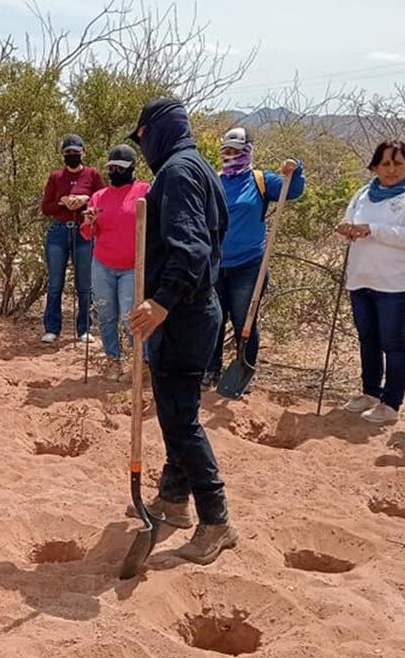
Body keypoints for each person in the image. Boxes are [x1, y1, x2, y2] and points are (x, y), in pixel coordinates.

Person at [125, 97, 237, 565]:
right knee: (176, 411)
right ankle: (173, 499)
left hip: (184, 315)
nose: (143, 145)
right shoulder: (196, 167)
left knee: (182, 420)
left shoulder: (178, 173)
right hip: (193, 311)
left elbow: (191, 248)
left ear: (158, 130)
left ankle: (217, 520)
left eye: (143, 136)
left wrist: (161, 301)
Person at [337, 140, 405, 425]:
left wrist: (373, 230)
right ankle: (370, 393)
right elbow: (348, 223)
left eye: (398, 163)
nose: (391, 170)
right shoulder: (364, 193)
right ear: (375, 166)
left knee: (392, 343)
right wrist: (345, 230)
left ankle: (391, 403)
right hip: (360, 278)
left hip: (395, 283)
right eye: (385, 164)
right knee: (367, 340)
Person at [204, 128, 305, 388]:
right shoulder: (216, 181)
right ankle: (211, 370)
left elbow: (292, 190)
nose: (231, 155)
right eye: (227, 151)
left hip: (248, 266)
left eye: (236, 151)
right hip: (216, 264)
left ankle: (243, 371)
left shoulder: (260, 180)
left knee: (244, 321)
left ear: (247, 152)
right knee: (214, 319)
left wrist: (295, 169)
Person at [80, 144, 151, 376]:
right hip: (103, 264)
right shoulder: (99, 196)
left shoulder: (145, 191)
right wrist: (89, 222)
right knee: (106, 314)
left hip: (133, 266)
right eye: (111, 167)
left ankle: (142, 361)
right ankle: (113, 359)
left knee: (130, 315)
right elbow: (86, 234)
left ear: (131, 167)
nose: (114, 172)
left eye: (120, 167)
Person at [40, 134, 105, 344]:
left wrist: (86, 200)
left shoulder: (93, 175)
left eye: (76, 153)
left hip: (83, 231)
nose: (72, 156)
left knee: (85, 283)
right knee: (55, 283)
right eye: (68, 153)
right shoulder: (56, 177)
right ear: (63, 155)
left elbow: (102, 202)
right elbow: (45, 207)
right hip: (59, 232)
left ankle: (84, 328)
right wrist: (62, 203)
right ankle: (52, 328)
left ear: (83, 153)